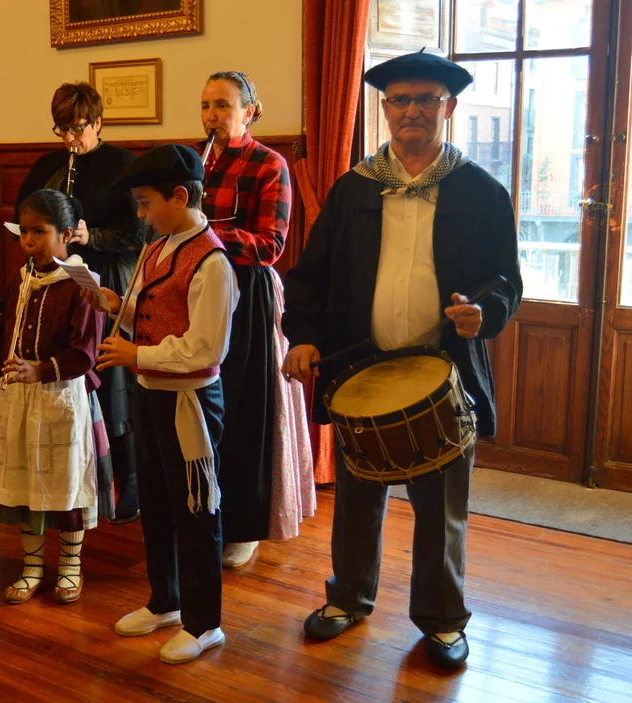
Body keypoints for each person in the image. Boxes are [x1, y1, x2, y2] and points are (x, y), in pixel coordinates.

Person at [281, 51, 523, 670]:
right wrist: (302, 336)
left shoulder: (480, 191)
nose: (412, 110)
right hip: (361, 368)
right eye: (400, 100)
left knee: (441, 509)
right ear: (385, 108)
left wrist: (485, 313)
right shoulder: (354, 188)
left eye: (426, 99)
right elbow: (308, 277)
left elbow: (506, 281)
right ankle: (348, 598)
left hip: (443, 374)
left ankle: (442, 620)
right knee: (357, 499)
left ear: (450, 107)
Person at [89, 144, 239, 665]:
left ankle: (205, 623)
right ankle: (166, 602)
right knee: (155, 501)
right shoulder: (157, 247)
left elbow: (205, 349)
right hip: (152, 392)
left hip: (191, 401)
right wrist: (118, 306)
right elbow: (153, 313)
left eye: (145, 202)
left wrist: (136, 353)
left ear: (179, 196)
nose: (141, 214)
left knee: (196, 508)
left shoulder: (212, 262)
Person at [198, 71, 315, 569]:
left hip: (247, 294)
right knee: (203, 406)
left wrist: (207, 233)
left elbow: (271, 245)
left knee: (244, 409)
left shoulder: (269, 163)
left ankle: (244, 525)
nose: (212, 116)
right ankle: (203, 515)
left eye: (223, 106)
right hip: (199, 288)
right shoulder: (195, 161)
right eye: (206, 106)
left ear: (249, 111)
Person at [15, 82, 143, 523]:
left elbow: (140, 232)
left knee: (110, 376)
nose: (70, 138)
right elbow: (22, 213)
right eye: (62, 129)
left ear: (98, 122)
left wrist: (94, 236)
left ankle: (130, 481)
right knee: (69, 368)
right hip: (58, 278)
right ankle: (72, 469)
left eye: (78, 128)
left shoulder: (123, 164)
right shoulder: (50, 164)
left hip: (105, 280)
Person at [0, 189, 109, 606]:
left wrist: (40, 370)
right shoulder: (23, 278)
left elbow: (85, 353)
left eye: (39, 232)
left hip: (62, 396)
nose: (29, 241)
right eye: (24, 232)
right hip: (21, 396)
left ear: (66, 234)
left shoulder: (81, 284)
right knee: (27, 481)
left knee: (65, 482)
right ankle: (32, 566)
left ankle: (70, 565)